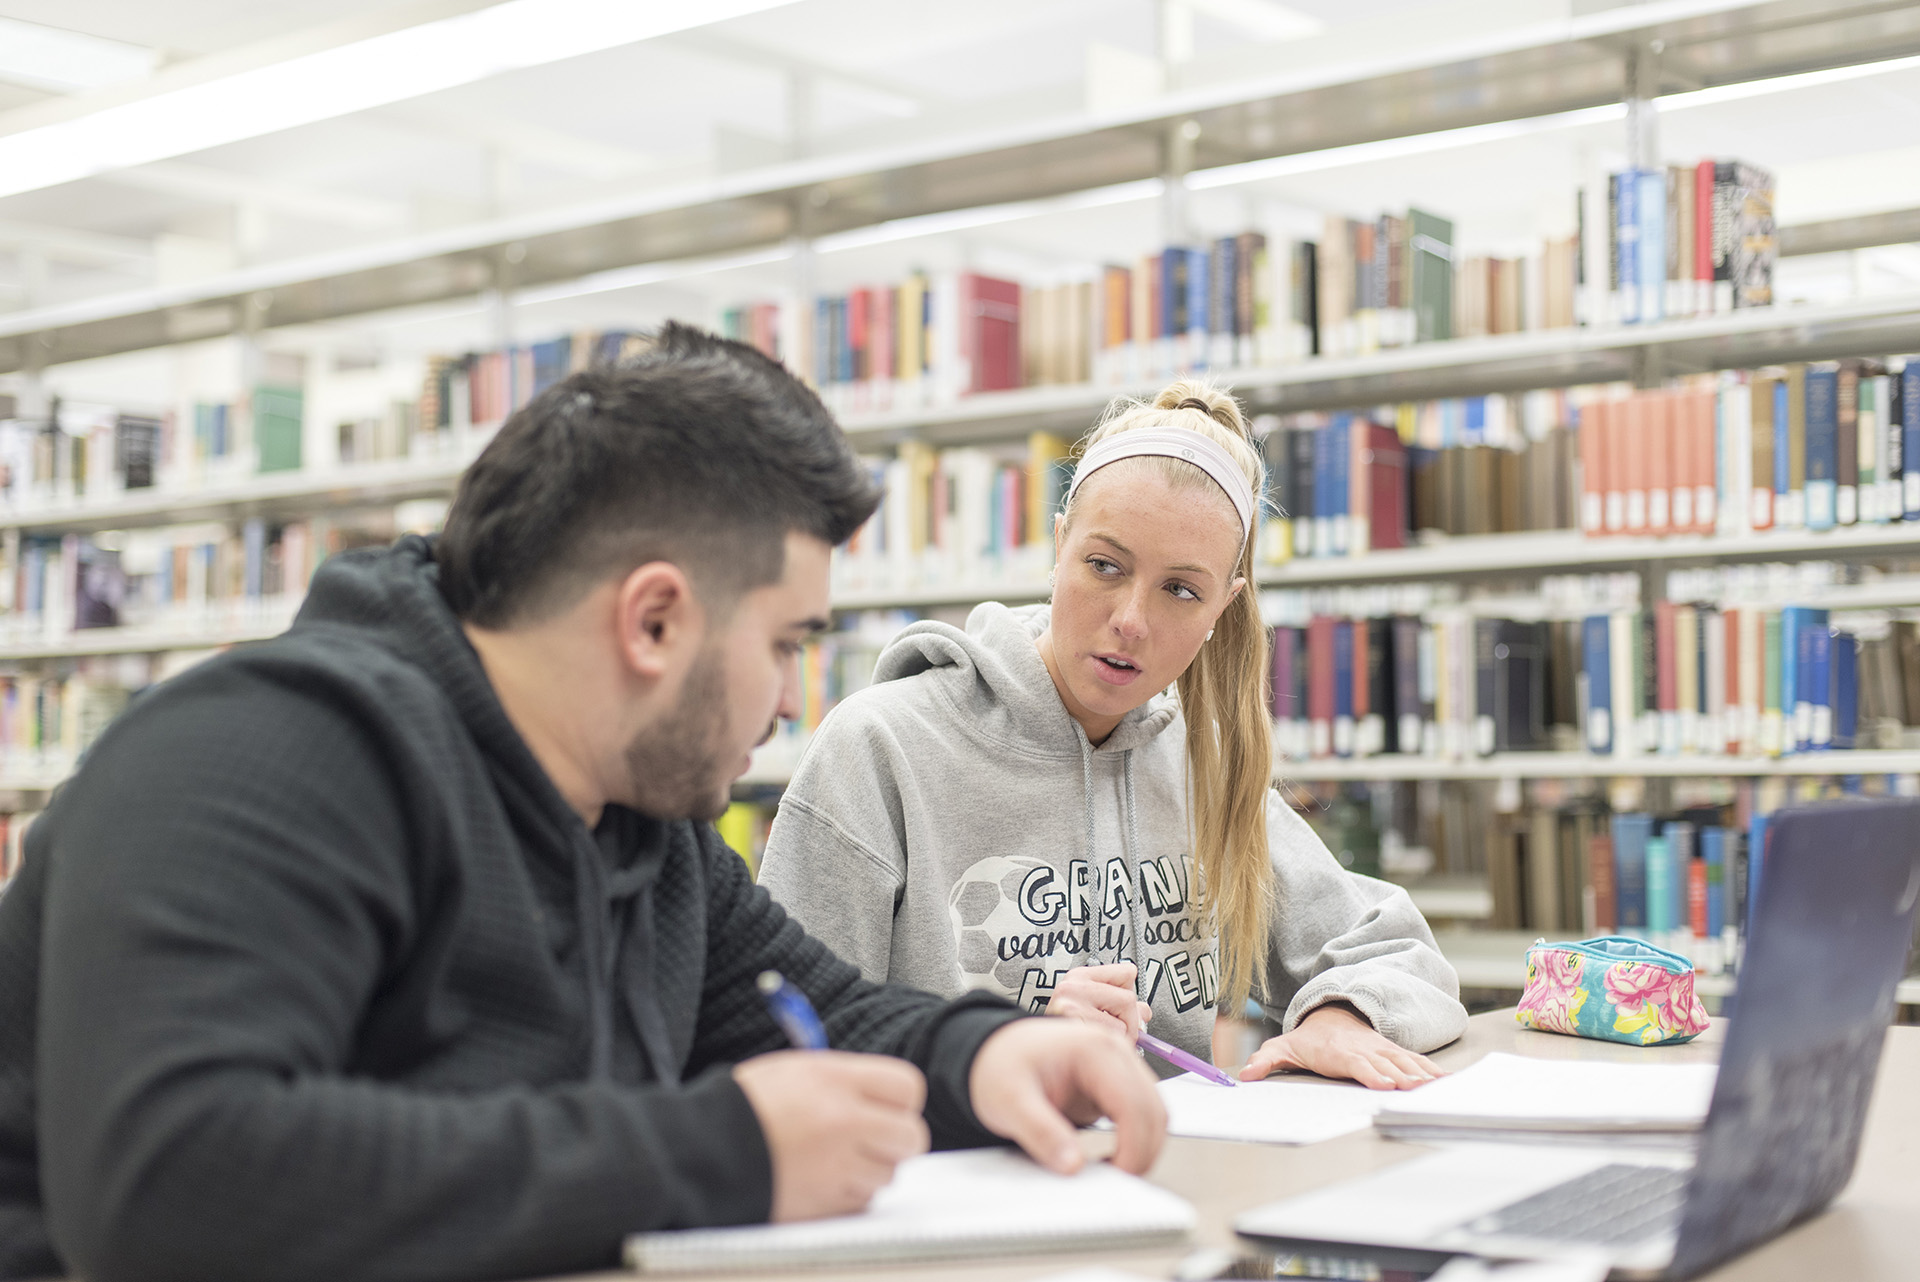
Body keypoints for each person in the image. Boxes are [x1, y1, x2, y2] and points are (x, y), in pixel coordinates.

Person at [0, 325, 1165, 1282]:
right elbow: (172, 1188)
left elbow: (824, 1014)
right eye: (784, 642)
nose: (785, 698)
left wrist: (989, 1053)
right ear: (654, 620)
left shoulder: (641, 822)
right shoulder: (257, 760)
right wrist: (723, 1149)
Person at [758, 381, 1468, 1090]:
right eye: (1106, 566)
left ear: (1225, 605)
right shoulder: (878, 747)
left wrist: (1341, 1015)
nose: (1131, 619)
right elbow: (784, 1036)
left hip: (1174, 1169)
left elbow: (1400, 951)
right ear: (1060, 543)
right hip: (952, 1180)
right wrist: (996, 1048)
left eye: (1181, 590)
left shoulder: (1204, 764)